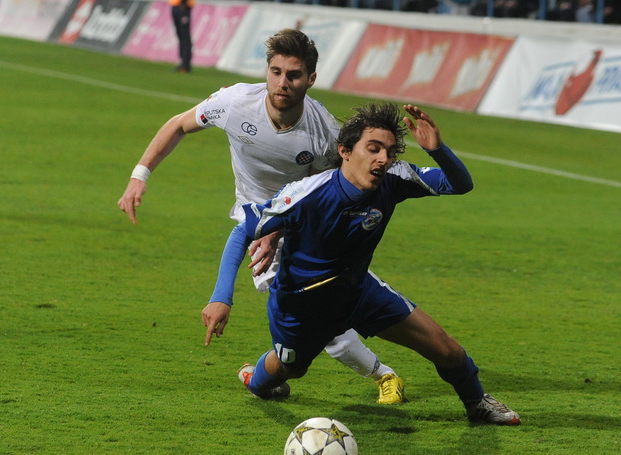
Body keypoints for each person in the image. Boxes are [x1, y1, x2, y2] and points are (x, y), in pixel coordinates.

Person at [117, 29, 406, 405]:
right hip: (256, 221)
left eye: (294, 75)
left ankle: (272, 375)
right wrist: (139, 176)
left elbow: (342, 186)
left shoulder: (324, 134)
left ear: (311, 79)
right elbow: (178, 124)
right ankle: (378, 375)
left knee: (326, 309)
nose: (282, 83)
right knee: (317, 314)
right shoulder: (235, 103)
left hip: (308, 224)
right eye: (275, 72)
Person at [237, 102, 521, 425]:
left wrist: (437, 150)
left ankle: (476, 403)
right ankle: (257, 382)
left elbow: (460, 184)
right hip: (302, 307)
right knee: (290, 368)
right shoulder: (308, 193)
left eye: (388, 151)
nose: (383, 159)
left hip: (359, 293)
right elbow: (242, 230)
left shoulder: (393, 179)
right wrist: (221, 296)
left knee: (446, 349)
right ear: (344, 151)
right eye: (373, 149)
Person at [170, 0, 193, 73]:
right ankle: (182, 62)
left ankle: (185, 64)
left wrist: (184, 3)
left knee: (185, 37)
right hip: (175, 6)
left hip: (183, 7)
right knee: (180, 36)